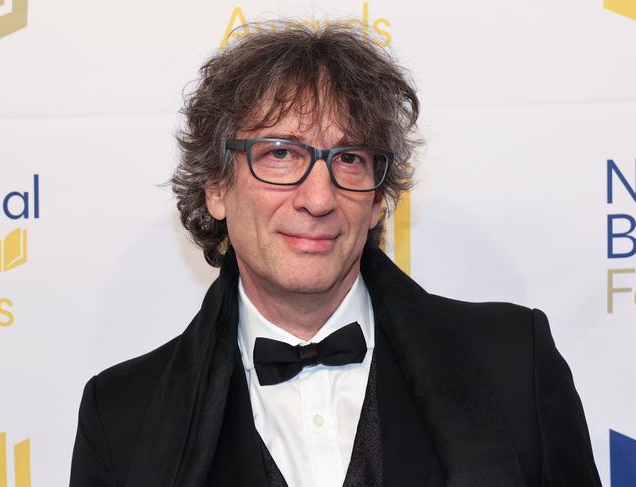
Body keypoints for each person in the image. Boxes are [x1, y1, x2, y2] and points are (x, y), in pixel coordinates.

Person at [69, 22, 602, 487]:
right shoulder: (121, 417)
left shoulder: (514, 364)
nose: (320, 198)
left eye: (348, 158)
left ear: (376, 200)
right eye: (280, 153)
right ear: (215, 187)